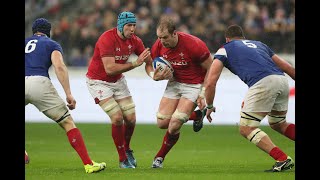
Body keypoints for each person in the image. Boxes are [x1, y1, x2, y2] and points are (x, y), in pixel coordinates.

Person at [204, 24, 295, 172]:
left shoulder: (224, 49)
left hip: (263, 82)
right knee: (278, 123)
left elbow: (210, 82)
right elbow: (287, 67)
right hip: (281, 80)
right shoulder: (260, 45)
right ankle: (282, 159)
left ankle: (282, 159)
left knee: (246, 128)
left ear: (227, 39)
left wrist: (209, 105)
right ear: (243, 37)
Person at [25, 18, 106, 174]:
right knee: (67, 122)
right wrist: (68, 93)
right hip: (38, 82)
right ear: (49, 31)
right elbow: (59, 66)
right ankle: (88, 164)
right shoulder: (51, 44)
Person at [85, 11, 153, 168]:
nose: (132, 29)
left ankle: (127, 148)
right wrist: (135, 64)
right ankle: (123, 159)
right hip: (99, 82)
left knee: (131, 119)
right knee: (117, 118)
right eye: (129, 25)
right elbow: (109, 69)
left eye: (134, 25)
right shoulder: (106, 39)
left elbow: (148, 61)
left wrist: (153, 74)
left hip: (118, 81)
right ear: (121, 26)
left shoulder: (135, 41)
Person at [144, 16, 213, 168]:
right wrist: (153, 76)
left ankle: (159, 158)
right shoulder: (159, 45)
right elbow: (149, 65)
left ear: (174, 33)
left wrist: (203, 93)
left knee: (175, 123)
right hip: (174, 83)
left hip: (194, 85)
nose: (162, 41)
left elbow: (211, 68)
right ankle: (197, 115)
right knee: (162, 123)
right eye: (159, 37)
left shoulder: (194, 44)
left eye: (165, 37)